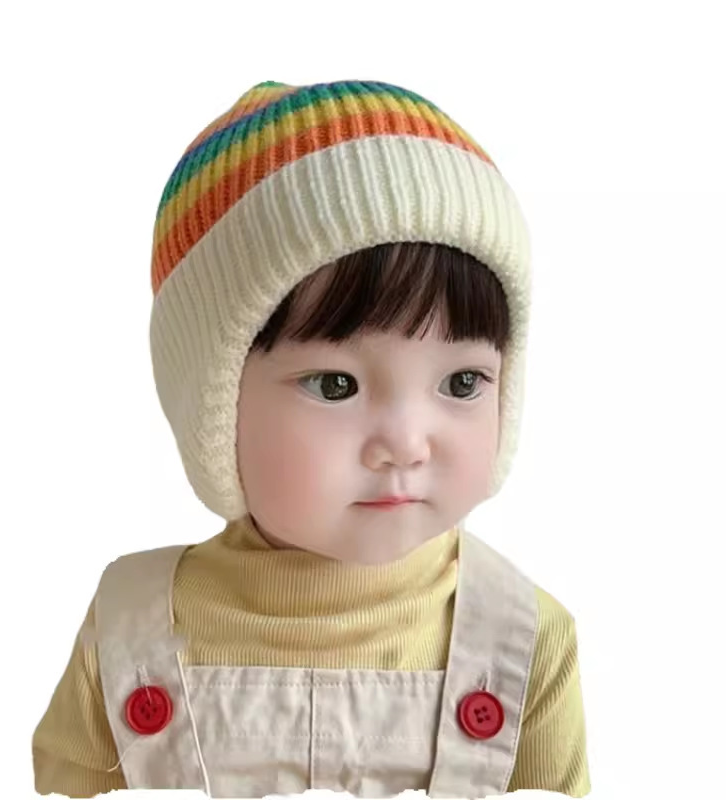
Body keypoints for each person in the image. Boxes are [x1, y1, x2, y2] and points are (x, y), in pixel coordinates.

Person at [32, 78, 591, 798]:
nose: (406, 445)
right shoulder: (128, 629)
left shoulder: (527, 642)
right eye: (335, 385)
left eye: (461, 383)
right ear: (214, 405)